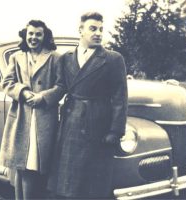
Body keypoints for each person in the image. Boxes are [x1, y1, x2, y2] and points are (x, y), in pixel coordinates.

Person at [47, 12, 128, 198]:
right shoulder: (66, 58)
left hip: (98, 123)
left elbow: (120, 98)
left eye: (101, 29)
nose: (98, 33)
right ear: (80, 30)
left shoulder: (113, 59)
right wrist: (41, 98)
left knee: (94, 184)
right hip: (71, 121)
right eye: (93, 28)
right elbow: (60, 87)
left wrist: (115, 132)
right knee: (68, 179)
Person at [0, 20, 64, 199]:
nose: (34, 38)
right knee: (22, 165)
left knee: (37, 166)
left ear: (45, 36)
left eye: (38, 34)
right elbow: (7, 83)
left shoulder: (55, 57)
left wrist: (43, 96)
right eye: (31, 34)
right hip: (22, 118)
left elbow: (61, 85)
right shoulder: (17, 57)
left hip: (44, 119)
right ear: (25, 36)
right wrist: (24, 92)